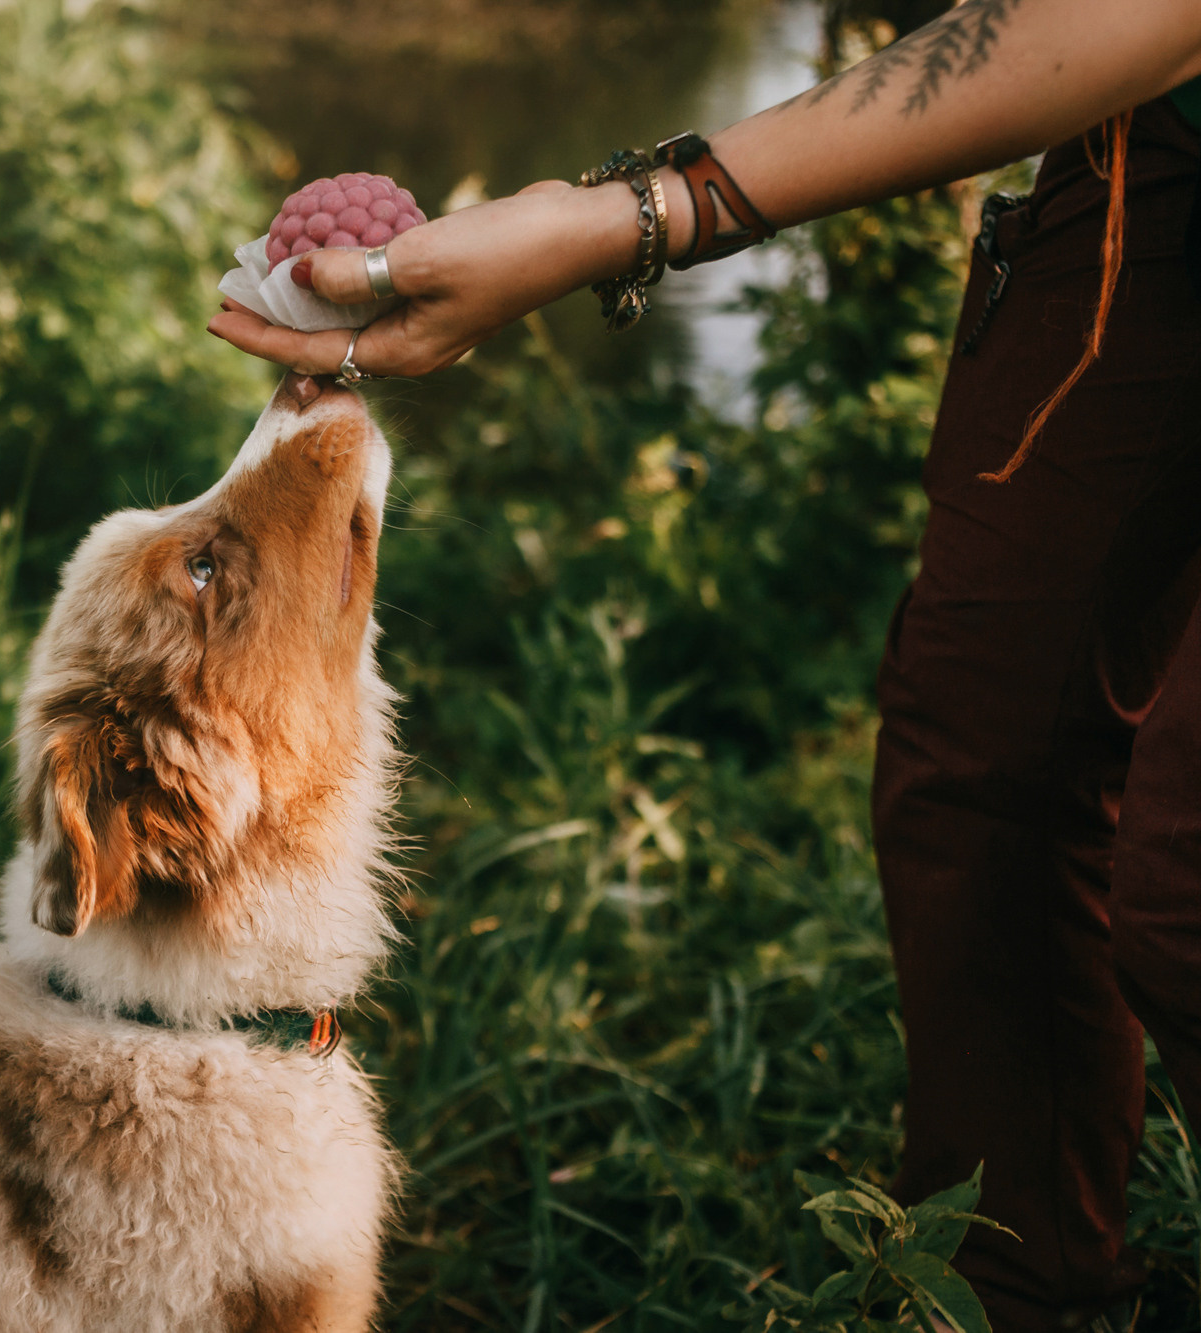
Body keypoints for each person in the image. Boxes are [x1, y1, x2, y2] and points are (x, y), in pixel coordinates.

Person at [210, 4, 1201, 1331]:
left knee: (1187, 881)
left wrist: (623, 216)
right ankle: (1014, 1296)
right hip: (1149, 151)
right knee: (987, 755)